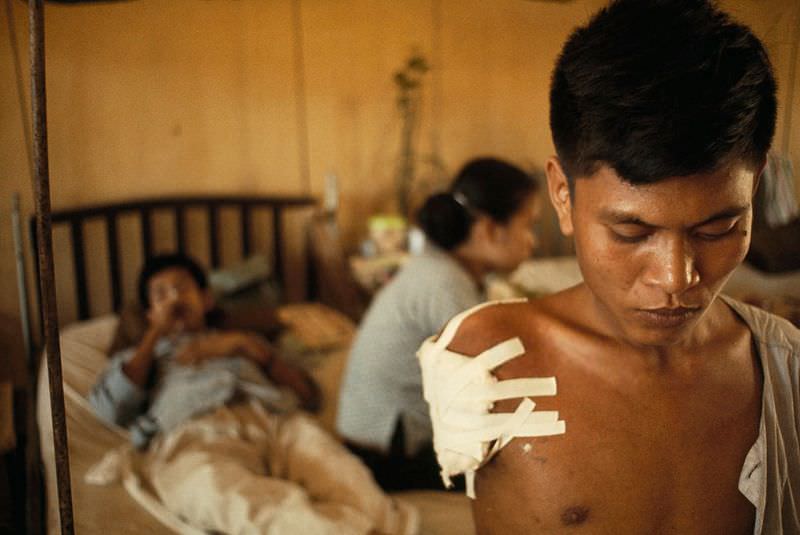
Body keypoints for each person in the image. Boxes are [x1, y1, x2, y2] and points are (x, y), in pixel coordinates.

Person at [418, 1, 800, 533]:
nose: (675, 278)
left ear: (754, 186)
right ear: (561, 194)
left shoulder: (784, 370)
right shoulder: (489, 364)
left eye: (716, 229)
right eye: (631, 232)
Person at [89, 253, 418, 535]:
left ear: (206, 299)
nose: (174, 298)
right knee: (234, 498)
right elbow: (111, 410)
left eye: (182, 287)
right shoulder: (141, 357)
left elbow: (309, 396)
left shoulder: (242, 343)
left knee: (356, 488)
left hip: (275, 424)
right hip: (194, 434)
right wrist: (154, 335)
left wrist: (247, 347)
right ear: (149, 312)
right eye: (161, 294)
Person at [337, 157, 541, 490]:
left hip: (377, 439)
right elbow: (495, 373)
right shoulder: (444, 282)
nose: (534, 241)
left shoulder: (445, 269)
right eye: (528, 225)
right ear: (490, 229)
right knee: (530, 464)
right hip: (384, 454)